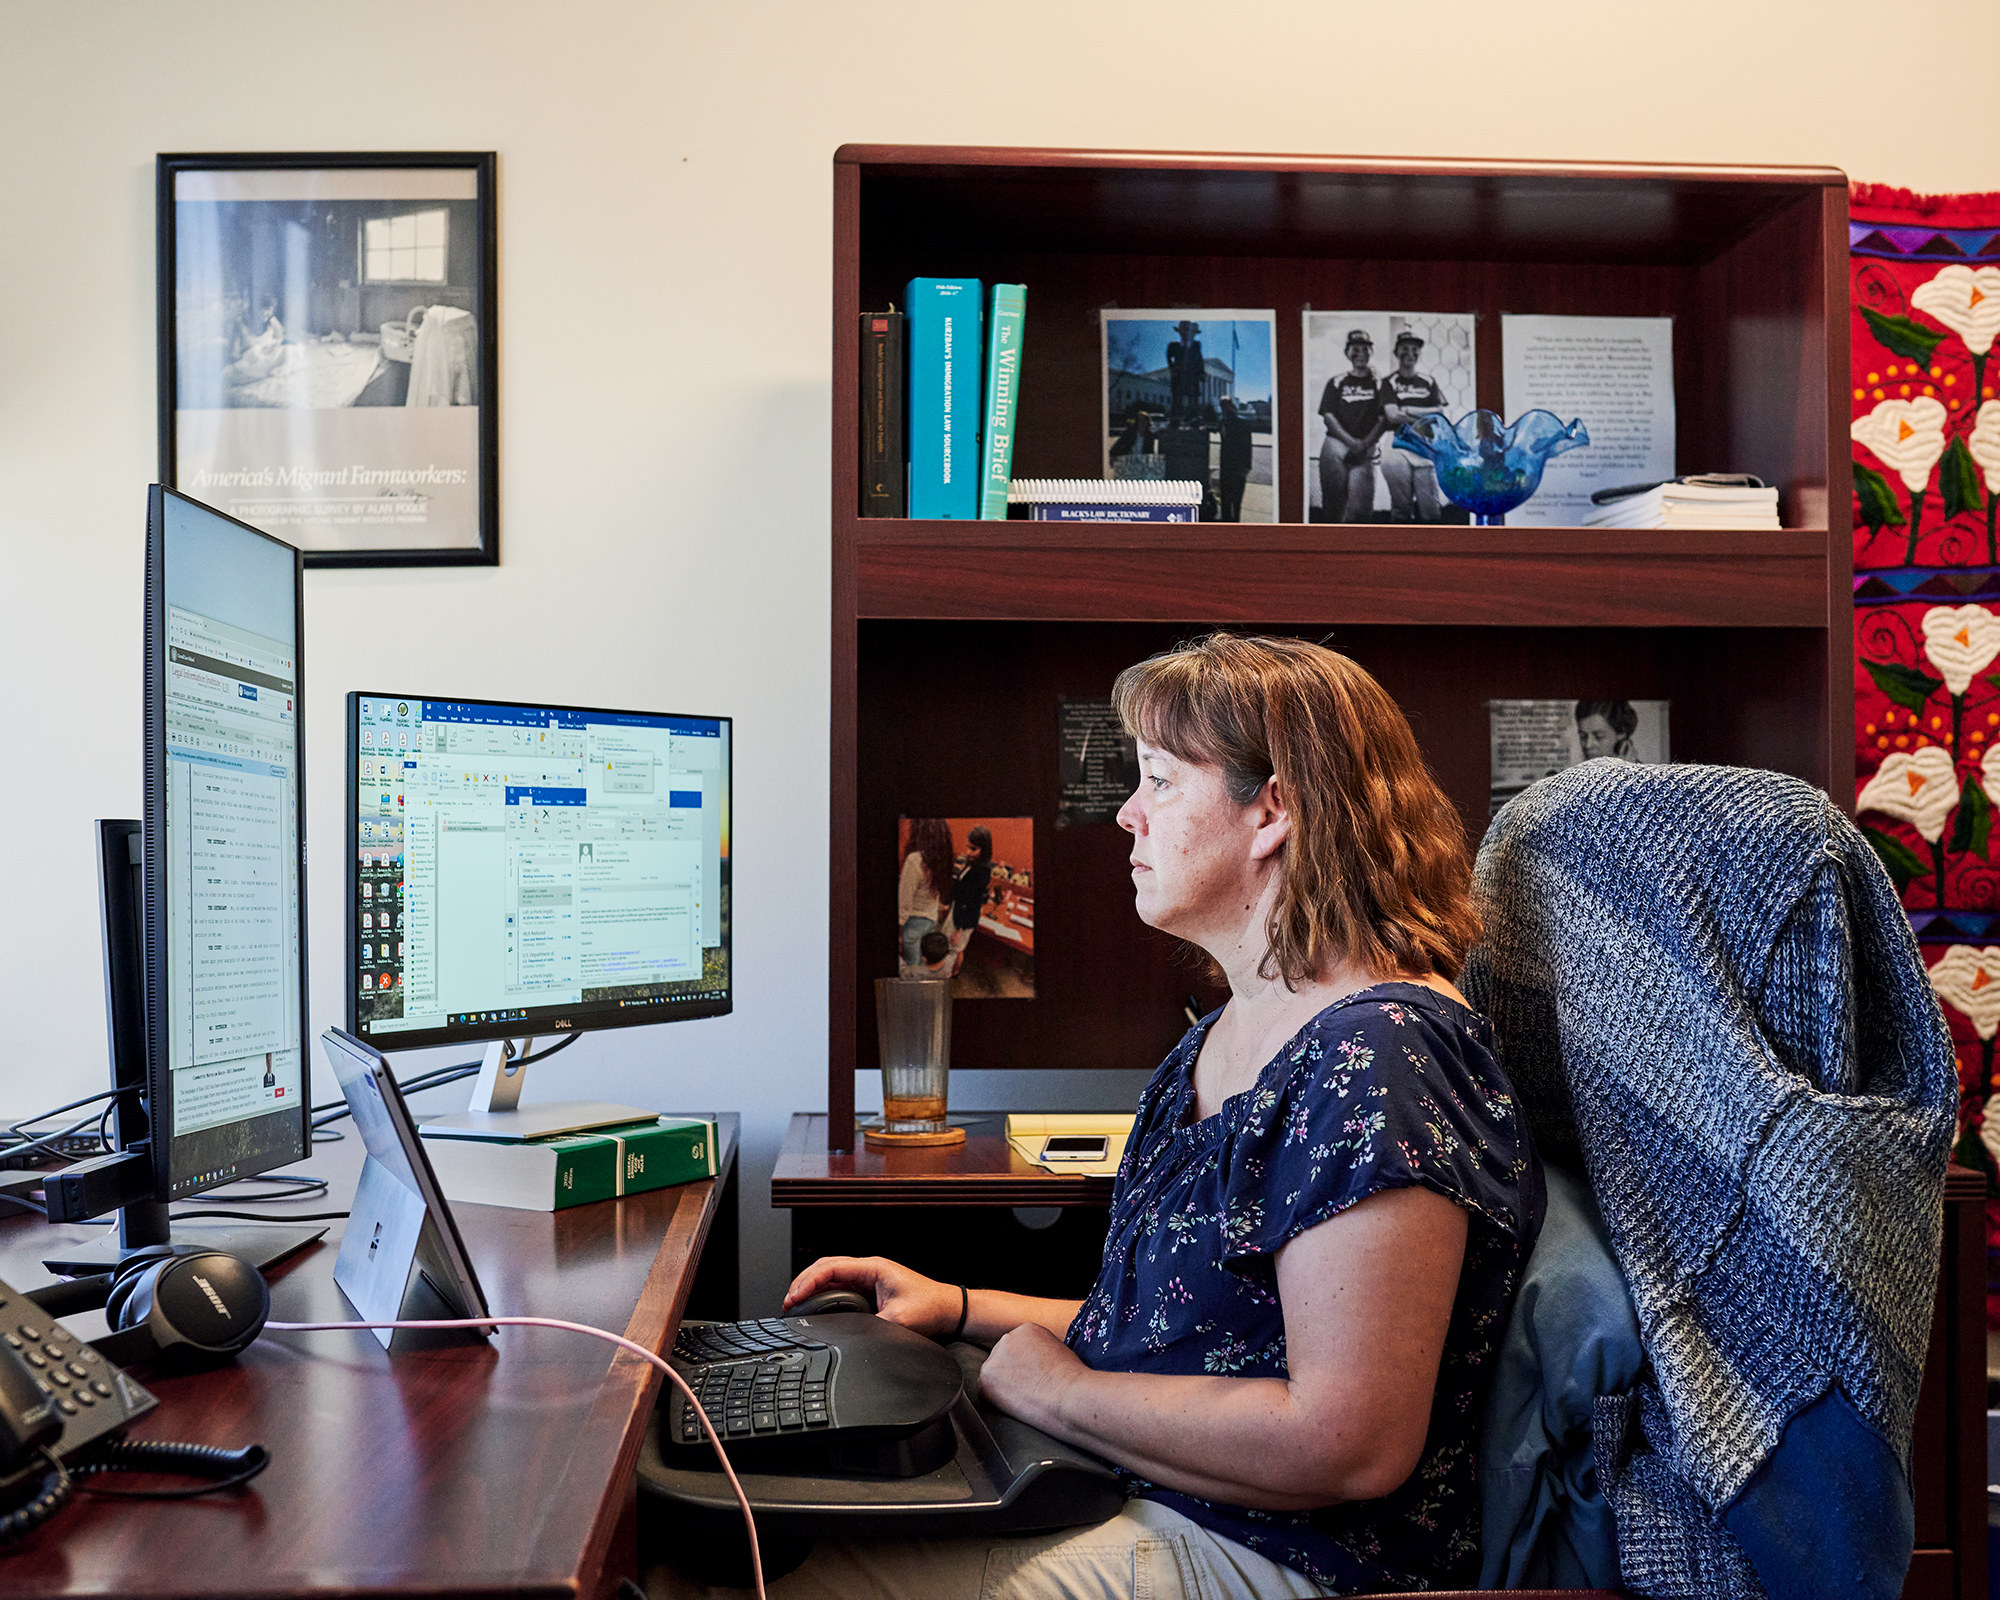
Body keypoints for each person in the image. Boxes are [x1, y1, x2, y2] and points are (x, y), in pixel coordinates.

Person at [742, 635, 1542, 1600]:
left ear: (1273, 811)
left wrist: (1066, 1394)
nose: (1126, 814)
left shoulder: (1380, 1061)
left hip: (1286, 1552)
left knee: (757, 1579)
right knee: (743, 1526)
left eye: (1159, 781)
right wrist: (961, 1308)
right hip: (1148, 1488)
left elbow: (1349, 1443)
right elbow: (1177, 1337)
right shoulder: (1225, 1037)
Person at [1377, 331, 1448, 522]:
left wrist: (1407, 409)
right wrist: (1425, 412)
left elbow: (1439, 412)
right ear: (1396, 352)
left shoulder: (1428, 381)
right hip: (1397, 445)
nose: (1410, 352)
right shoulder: (1388, 382)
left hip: (1424, 444)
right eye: (1405, 348)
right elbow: (1392, 415)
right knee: (1401, 508)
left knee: (1431, 508)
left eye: (1414, 349)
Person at [1316, 331, 1382, 522]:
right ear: (1347, 352)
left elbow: (1383, 418)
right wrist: (1351, 442)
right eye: (1355, 348)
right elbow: (1328, 416)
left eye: (1365, 348)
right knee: (1334, 506)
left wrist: (1365, 444)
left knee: (1361, 510)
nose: (1360, 353)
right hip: (1336, 444)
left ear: (1371, 351)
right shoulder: (1337, 381)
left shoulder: (1379, 382)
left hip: (1367, 447)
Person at [897, 818, 955, 972]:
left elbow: (904, 901)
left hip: (913, 921)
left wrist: (899, 929)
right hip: (931, 919)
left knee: (913, 971)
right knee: (924, 965)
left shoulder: (915, 860)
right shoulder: (944, 859)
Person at [944, 824, 993, 978]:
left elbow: (970, 901)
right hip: (958, 911)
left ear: (984, 849)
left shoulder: (982, 870)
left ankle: (953, 973)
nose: (968, 852)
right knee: (952, 947)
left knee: (956, 948)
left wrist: (958, 929)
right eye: (968, 847)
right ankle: (951, 972)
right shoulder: (973, 863)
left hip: (964, 918)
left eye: (973, 849)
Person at [1217, 395, 1253, 522]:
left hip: (1234, 467)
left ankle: (1232, 522)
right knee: (1230, 500)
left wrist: (1246, 466)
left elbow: (1247, 446)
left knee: (1232, 500)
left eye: (1225, 406)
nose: (1224, 410)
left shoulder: (1238, 423)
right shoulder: (1225, 422)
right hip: (1231, 467)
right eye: (1222, 407)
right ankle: (1231, 521)